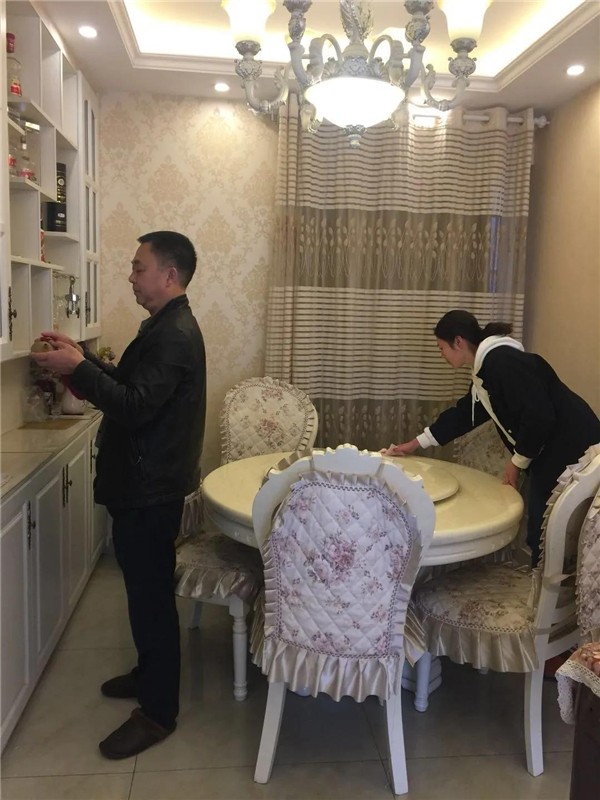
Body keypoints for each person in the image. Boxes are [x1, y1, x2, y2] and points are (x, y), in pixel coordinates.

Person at [31, 231, 206, 759]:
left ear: (169, 275)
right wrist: (81, 359)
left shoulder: (174, 334)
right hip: (144, 485)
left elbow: (132, 407)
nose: (130, 276)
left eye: (138, 267)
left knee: (151, 599)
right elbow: (132, 389)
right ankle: (149, 673)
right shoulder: (163, 327)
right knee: (142, 594)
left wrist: (78, 370)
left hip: (150, 490)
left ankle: (158, 713)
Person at [382, 309, 600, 566]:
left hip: (573, 448)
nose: (442, 355)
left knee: (547, 528)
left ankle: (547, 587)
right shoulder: (486, 370)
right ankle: (544, 583)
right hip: (552, 448)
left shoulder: (503, 363)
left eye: (442, 348)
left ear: (458, 341)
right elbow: (465, 415)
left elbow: (539, 416)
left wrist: (517, 462)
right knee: (543, 528)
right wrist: (415, 444)